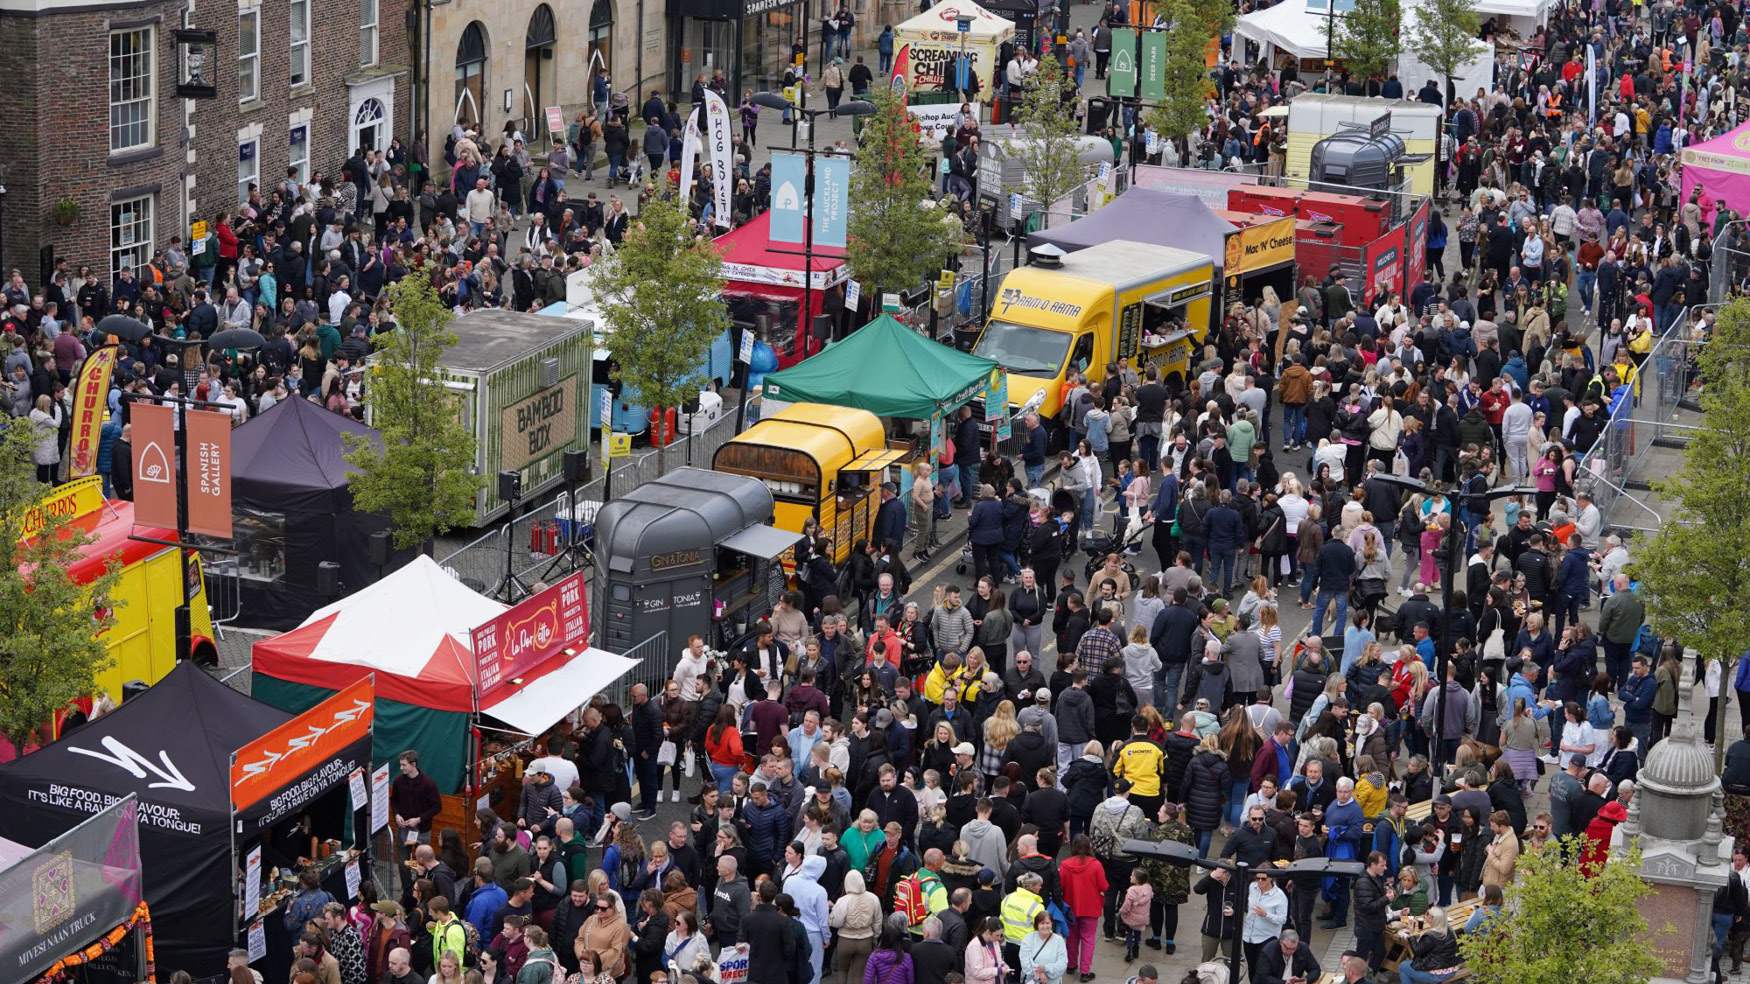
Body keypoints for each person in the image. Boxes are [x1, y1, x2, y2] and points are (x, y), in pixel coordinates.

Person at [1020, 908, 1070, 984]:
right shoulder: (1028, 938)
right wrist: (1039, 973)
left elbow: (1062, 964)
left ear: (1052, 924)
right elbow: (1025, 962)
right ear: (1037, 925)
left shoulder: (1059, 940)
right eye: (1042, 923)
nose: (1045, 926)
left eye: (1047, 923)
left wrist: (1045, 969)